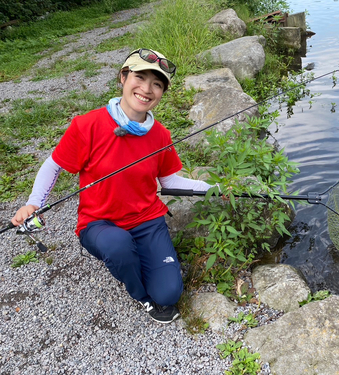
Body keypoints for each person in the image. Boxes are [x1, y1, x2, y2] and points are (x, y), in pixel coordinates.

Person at [11, 48, 213, 324]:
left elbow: (170, 182)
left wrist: (211, 188)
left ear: (162, 92)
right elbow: (54, 164)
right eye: (140, 78)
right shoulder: (87, 125)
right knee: (118, 246)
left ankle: (141, 264)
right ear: (123, 77)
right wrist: (34, 202)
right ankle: (141, 296)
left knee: (168, 294)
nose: (147, 89)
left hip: (147, 221)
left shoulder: (161, 134)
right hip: (99, 223)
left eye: (157, 84)